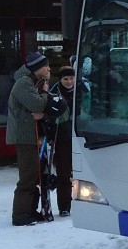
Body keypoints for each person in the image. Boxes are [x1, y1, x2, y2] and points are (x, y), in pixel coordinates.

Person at [7, 52, 66, 226]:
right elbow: (37, 104)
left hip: (33, 135)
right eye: (46, 66)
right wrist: (46, 93)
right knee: (28, 175)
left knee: (35, 175)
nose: (49, 69)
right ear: (37, 68)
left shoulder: (34, 81)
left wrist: (44, 113)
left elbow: (43, 108)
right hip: (25, 136)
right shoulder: (23, 82)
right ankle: (20, 215)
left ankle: (30, 211)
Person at [50, 65, 76, 216]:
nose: (69, 81)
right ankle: (65, 206)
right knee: (64, 172)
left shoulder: (82, 90)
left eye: (71, 78)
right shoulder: (54, 92)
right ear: (60, 79)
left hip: (79, 134)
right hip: (62, 137)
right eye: (66, 79)